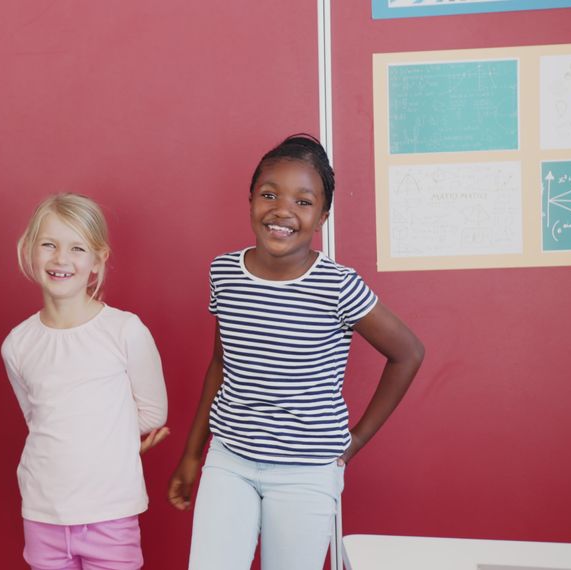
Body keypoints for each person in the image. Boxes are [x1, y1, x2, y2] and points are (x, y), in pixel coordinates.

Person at [167, 135, 424, 570]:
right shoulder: (225, 272)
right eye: (269, 194)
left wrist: (355, 440)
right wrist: (193, 453)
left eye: (303, 202)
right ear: (250, 200)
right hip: (230, 458)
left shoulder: (338, 286)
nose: (283, 210)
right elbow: (221, 364)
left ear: (322, 216)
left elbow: (408, 353)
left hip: (306, 471)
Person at [1, 193, 169, 570]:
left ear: (98, 259)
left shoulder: (125, 331)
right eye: (49, 245)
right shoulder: (18, 344)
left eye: (77, 248)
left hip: (111, 513)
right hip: (43, 513)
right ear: (29, 250)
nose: (61, 259)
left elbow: (154, 411)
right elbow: (42, 419)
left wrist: (111, 440)